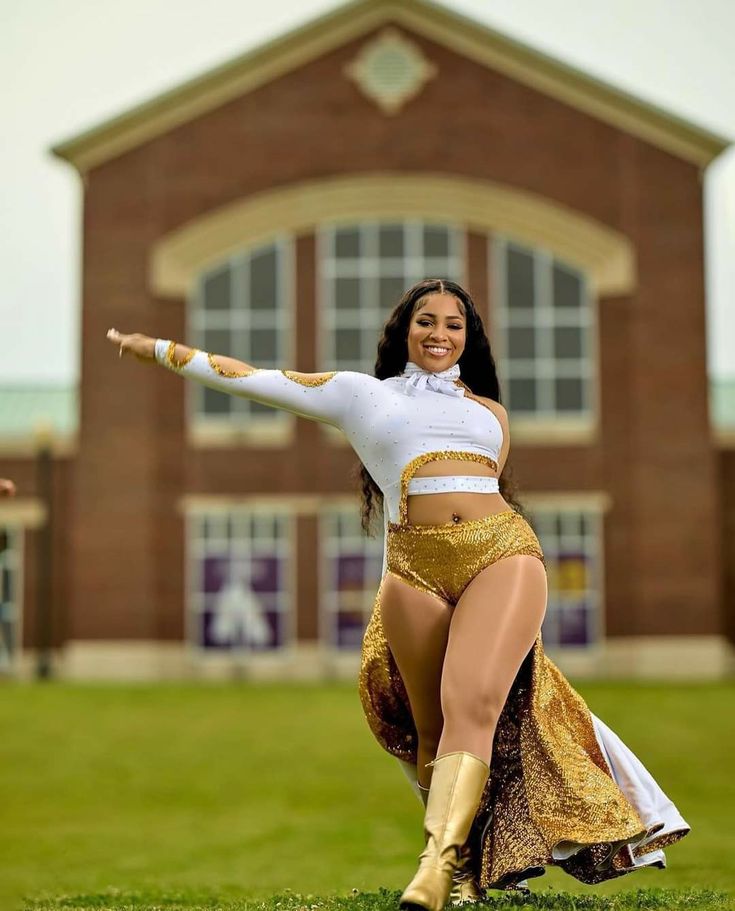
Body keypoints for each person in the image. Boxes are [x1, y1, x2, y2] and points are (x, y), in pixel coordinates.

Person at [106, 278, 689, 908]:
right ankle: (466, 876)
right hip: (412, 567)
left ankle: (433, 870)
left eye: (454, 324)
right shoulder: (361, 395)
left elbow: (491, 487)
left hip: (502, 553)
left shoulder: (490, 413)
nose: (440, 333)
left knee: (473, 701)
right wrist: (158, 348)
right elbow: (248, 375)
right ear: (403, 330)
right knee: (431, 725)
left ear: (469, 337)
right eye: (426, 320)